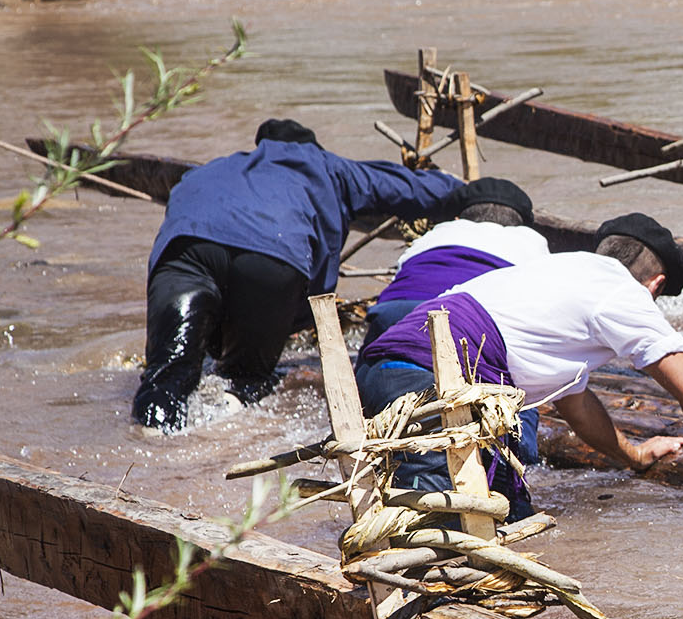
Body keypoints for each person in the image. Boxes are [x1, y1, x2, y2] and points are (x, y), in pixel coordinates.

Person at [355, 211, 683, 518]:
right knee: (449, 531)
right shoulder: (622, 291)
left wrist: (635, 454)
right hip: (434, 380)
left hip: (377, 370)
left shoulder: (554, 272)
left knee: (500, 513)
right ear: (656, 284)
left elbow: (577, 405)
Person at [133, 118, 463, 432]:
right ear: (313, 147)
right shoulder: (327, 166)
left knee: (165, 379)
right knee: (243, 378)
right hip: (270, 259)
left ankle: (150, 439)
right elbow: (415, 190)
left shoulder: (212, 169)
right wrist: (467, 192)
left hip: (184, 252)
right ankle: (223, 425)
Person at [361, 176, 550, 472]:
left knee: (372, 414)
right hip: (466, 323)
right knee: (519, 402)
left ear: (459, 218)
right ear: (522, 224)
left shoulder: (434, 235)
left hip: (393, 319)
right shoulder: (533, 244)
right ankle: (520, 466)